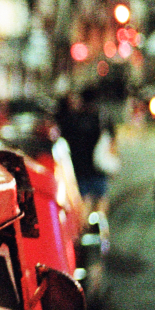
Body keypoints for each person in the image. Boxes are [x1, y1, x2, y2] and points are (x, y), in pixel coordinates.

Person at [58, 87, 112, 216]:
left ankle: (86, 230)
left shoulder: (72, 119)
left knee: (84, 200)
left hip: (79, 166)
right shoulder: (102, 118)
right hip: (99, 165)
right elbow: (111, 141)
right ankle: (100, 229)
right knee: (101, 198)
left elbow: (64, 141)